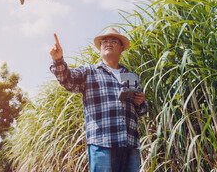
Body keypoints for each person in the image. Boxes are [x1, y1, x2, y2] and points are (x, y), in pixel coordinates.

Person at [49, 27, 147, 172]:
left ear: (121, 48)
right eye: (104, 41)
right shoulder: (89, 72)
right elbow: (67, 80)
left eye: (113, 41)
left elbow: (141, 111)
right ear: (100, 48)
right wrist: (58, 60)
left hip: (129, 145)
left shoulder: (131, 76)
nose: (108, 43)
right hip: (102, 144)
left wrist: (140, 102)